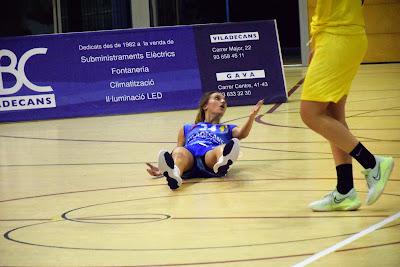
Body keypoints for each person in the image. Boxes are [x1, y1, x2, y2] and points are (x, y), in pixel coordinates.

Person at [300, 0, 394, 211]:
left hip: (338, 35)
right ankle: (345, 191)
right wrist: (317, 41)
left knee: (310, 113)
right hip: (339, 35)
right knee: (333, 116)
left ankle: (372, 164)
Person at [146, 91, 264, 189]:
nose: (222, 101)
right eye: (217, 98)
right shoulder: (187, 127)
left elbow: (242, 134)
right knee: (179, 151)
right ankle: (175, 174)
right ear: (205, 106)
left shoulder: (227, 128)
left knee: (223, 148)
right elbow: (178, 148)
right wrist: (163, 170)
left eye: (224, 100)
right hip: (189, 159)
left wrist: (251, 117)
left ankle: (222, 163)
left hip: (209, 157)